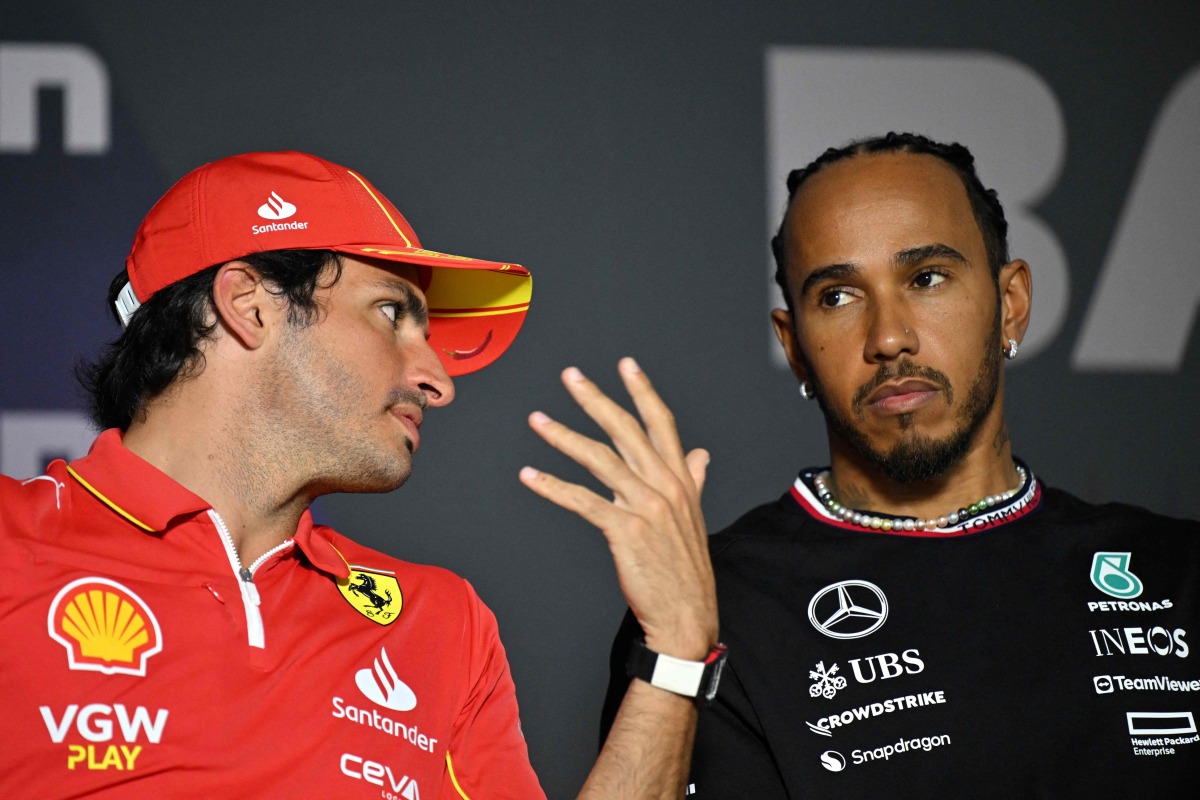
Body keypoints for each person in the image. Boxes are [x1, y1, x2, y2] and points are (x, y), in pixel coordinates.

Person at [0, 150, 720, 799]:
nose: (439, 381)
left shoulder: (442, 623)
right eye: (391, 312)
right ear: (249, 305)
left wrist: (678, 652)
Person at [602, 132, 1200, 797]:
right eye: (837, 296)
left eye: (927, 278)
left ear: (1012, 304)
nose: (889, 337)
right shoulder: (717, 608)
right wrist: (679, 653)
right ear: (795, 346)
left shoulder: (1177, 573)